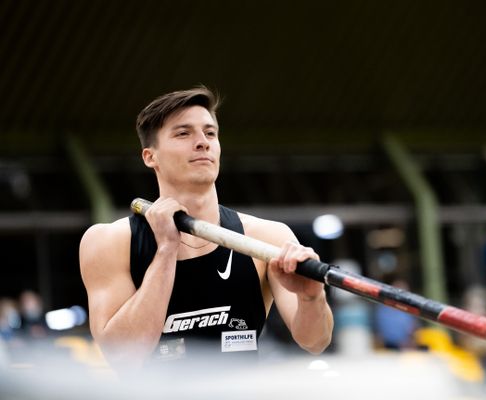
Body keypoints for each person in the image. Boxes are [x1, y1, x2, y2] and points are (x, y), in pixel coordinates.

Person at [79, 87, 333, 370]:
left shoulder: (266, 237)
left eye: (210, 133)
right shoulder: (109, 241)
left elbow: (315, 342)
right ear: (150, 157)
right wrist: (165, 249)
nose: (202, 142)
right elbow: (123, 356)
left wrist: (312, 297)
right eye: (183, 133)